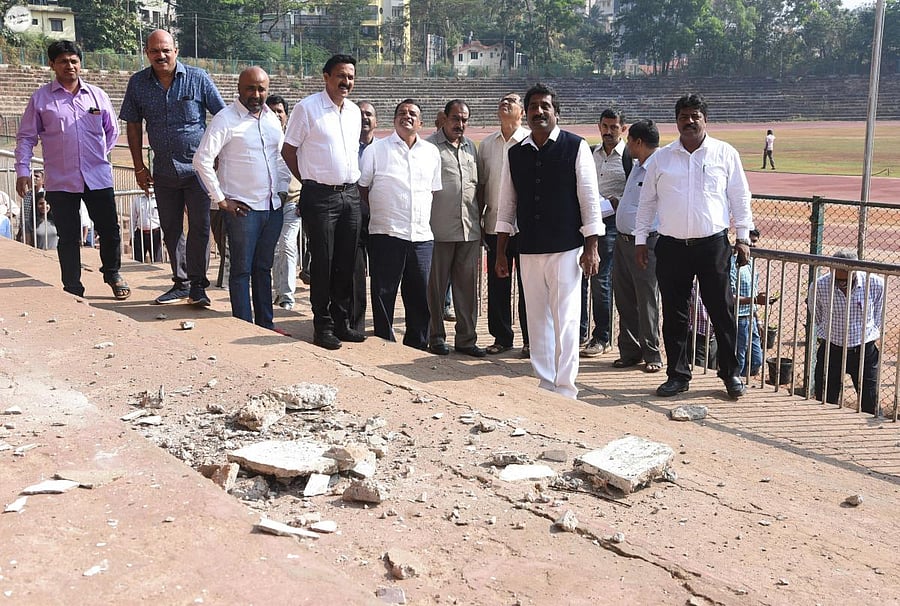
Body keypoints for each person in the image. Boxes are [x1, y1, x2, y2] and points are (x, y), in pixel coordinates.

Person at [635, 93, 754, 399]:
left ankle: (730, 374)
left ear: (705, 119)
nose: (689, 121)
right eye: (683, 116)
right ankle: (678, 374)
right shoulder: (661, 158)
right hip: (671, 246)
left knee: (722, 311)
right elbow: (647, 202)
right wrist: (640, 240)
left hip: (712, 245)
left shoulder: (724, 154)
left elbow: (740, 197)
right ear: (676, 121)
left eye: (695, 116)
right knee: (675, 315)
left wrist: (742, 237)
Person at [496, 83, 609, 399]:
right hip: (529, 249)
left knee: (567, 319)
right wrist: (501, 251)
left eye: (545, 106)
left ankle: (565, 386)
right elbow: (506, 204)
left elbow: (588, 200)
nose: (538, 111)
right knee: (537, 319)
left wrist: (592, 247)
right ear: (526, 114)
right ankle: (545, 382)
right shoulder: (515, 153)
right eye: (533, 106)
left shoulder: (575, 146)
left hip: (566, 248)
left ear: (556, 113)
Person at [15, 40, 129, 300]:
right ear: (52, 64)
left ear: (81, 63)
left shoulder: (97, 95)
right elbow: (26, 138)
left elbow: (112, 131)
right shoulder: (41, 99)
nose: (70, 66)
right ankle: (73, 287)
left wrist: (98, 154)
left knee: (109, 229)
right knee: (68, 237)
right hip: (60, 180)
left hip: (98, 177)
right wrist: (23, 170)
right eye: (64, 61)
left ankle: (112, 273)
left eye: (74, 61)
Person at [120, 29, 226, 306]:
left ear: (176, 51)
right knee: (170, 229)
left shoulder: (198, 78)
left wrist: (217, 155)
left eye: (166, 49)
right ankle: (181, 283)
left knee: (201, 228)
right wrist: (139, 166)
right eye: (155, 50)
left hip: (198, 171)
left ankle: (198, 287)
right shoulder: (138, 84)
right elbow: (132, 124)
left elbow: (223, 116)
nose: (161, 55)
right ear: (147, 53)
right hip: (164, 171)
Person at [193, 67, 291, 330]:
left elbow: (280, 159)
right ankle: (243, 325)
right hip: (243, 211)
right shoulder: (225, 119)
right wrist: (222, 200)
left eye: (261, 89)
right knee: (241, 271)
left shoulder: (272, 119)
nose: (256, 94)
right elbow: (201, 159)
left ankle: (266, 325)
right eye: (250, 88)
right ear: (239, 88)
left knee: (263, 269)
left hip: (272, 208)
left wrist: (282, 190)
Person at [282, 54, 365, 350]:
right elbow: (288, 150)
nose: (346, 82)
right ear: (326, 77)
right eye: (341, 76)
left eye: (351, 77)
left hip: (350, 195)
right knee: (324, 262)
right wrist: (308, 181)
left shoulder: (354, 112)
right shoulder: (308, 108)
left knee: (346, 261)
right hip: (320, 196)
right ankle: (323, 325)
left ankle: (343, 322)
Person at [359, 99, 442, 350]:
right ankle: (384, 342)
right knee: (384, 292)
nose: (407, 116)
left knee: (418, 294)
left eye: (412, 114)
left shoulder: (431, 153)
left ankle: (417, 343)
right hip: (386, 232)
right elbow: (362, 188)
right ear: (394, 119)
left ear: (420, 123)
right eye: (402, 113)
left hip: (420, 236)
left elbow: (433, 191)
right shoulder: (377, 150)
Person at [426, 99, 484, 357]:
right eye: (455, 119)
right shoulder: (429, 148)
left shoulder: (471, 147)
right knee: (436, 290)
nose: (460, 124)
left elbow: (478, 188)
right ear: (444, 118)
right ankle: (436, 337)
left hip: (469, 230)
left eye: (464, 120)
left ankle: (467, 340)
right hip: (438, 229)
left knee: (467, 290)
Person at [477, 93, 530, 357]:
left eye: (511, 101)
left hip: (524, 227)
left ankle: (530, 339)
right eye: (501, 101)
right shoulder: (486, 145)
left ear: (522, 112)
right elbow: (481, 186)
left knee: (528, 285)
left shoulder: (531, 140)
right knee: (498, 284)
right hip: (494, 224)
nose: (504, 103)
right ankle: (501, 337)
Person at [610, 118, 662, 373]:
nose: (627, 145)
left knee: (647, 299)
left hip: (646, 243)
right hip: (623, 241)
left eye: (629, 140)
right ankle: (629, 351)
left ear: (638, 142)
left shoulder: (658, 166)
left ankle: (652, 353)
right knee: (625, 298)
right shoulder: (636, 165)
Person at [581, 108, 631, 357]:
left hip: (611, 225)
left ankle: (602, 336)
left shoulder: (629, 157)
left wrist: (617, 201)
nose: (608, 131)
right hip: (587, 221)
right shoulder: (590, 153)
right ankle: (579, 331)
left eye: (614, 127)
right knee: (578, 277)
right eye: (605, 126)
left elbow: (636, 192)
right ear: (598, 126)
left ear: (623, 128)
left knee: (601, 279)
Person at [810, 250, 883, 416]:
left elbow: (878, 313)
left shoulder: (875, 284)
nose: (841, 282)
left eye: (845, 278)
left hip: (864, 351)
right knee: (825, 400)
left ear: (855, 270)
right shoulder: (819, 285)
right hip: (831, 349)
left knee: (870, 402)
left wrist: (867, 334)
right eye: (837, 276)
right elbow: (817, 315)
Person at [267, 94, 303, 311]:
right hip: (270, 202)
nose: (276, 115)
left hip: (293, 200)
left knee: (288, 245)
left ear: (286, 116)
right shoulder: (261, 138)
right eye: (271, 111)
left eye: (279, 111)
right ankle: (277, 292)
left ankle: (287, 295)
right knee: (274, 249)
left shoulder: (295, 140)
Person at [351, 100, 377, 332]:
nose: (364, 118)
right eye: (359, 114)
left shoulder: (384, 149)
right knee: (355, 272)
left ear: (376, 121)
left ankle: (381, 325)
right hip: (352, 218)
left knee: (380, 274)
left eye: (368, 114)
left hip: (379, 218)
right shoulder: (345, 146)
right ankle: (356, 323)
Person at [732, 228, 770, 376]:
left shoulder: (751, 263)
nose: (752, 245)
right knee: (739, 358)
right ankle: (736, 384)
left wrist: (758, 320)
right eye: (750, 241)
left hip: (750, 318)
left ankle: (742, 382)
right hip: (738, 318)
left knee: (756, 360)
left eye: (755, 242)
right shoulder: (733, 264)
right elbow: (729, 296)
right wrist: (755, 300)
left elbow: (753, 292)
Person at [130, 192, 162, 262]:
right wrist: (131, 236)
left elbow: (164, 218)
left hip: (155, 234)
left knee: (157, 261)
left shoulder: (159, 198)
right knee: (138, 262)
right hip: (140, 234)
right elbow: (133, 219)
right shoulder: (137, 199)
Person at [16, 169, 44, 245]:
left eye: (37, 176)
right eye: (32, 176)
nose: (34, 178)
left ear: (43, 180)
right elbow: (23, 214)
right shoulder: (26, 195)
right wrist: (19, 232)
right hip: (27, 230)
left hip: (42, 229)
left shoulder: (45, 195)